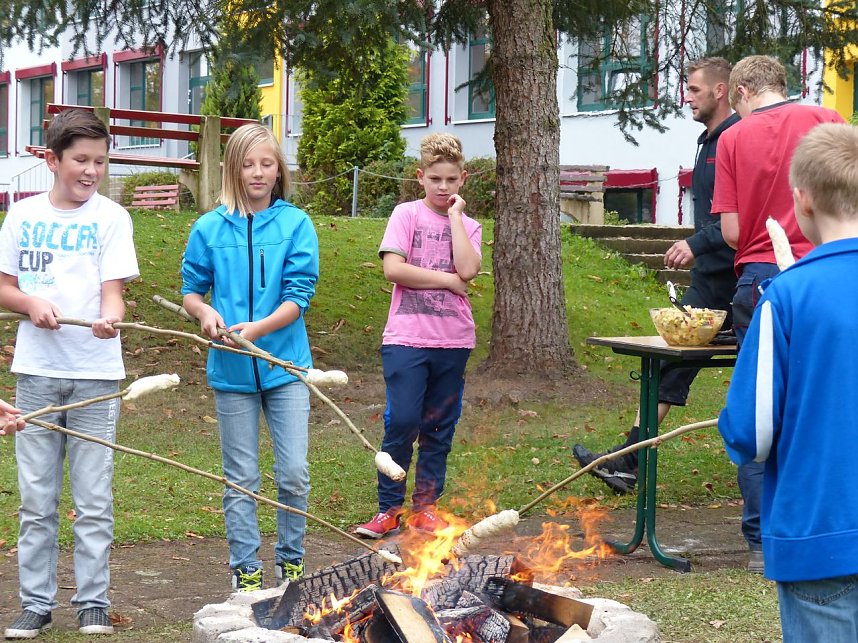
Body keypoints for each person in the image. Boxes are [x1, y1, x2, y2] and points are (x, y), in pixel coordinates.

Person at [0, 108, 140, 638]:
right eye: (81, 160)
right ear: (52, 159)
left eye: (100, 161)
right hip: (36, 373)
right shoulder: (22, 215)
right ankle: (35, 603)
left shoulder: (112, 218)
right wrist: (30, 303)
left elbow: (113, 293)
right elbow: (5, 287)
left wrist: (110, 321)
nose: (91, 171)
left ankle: (92, 602)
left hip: (96, 376)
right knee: (36, 500)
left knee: (93, 499)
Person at [572, 58, 739, 495]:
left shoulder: (736, 138)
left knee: (738, 375)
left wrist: (696, 243)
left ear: (720, 90)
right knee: (668, 368)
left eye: (695, 89)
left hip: (735, 282)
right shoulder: (708, 140)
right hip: (709, 277)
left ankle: (629, 461)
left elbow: (738, 220)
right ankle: (628, 461)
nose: (687, 97)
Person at [719, 122, 858, 642]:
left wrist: (731, 426)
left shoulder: (786, 296)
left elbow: (751, 432)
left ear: (801, 200)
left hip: (820, 536)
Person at [710, 54, 844, 574]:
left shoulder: (732, 137)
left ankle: (762, 537)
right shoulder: (826, 118)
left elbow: (729, 231)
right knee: (831, 400)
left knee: (764, 403)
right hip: (834, 269)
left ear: (741, 91)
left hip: (763, 277)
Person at [181, 123, 318, 592]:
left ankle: (292, 563)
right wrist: (204, 312)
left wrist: (258, 329)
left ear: (279, 170)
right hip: (232, 372)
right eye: (247, 164)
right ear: (231, 171)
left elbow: (298, 297)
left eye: (266, 163)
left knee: (294, 473)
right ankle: (246, 571)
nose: (257, 173)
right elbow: (191, 292)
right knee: (241, 478)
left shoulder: (296, 224)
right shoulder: (208, 227)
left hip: (285, 368)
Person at [354, 133, 481, 539]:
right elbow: (394, 269)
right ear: (420, 177)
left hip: (453, 341)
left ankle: (426, 509)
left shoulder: (469, 225)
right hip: (406, 339)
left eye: (451, 180)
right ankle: (388, 509)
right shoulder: (405, 214)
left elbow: (468, 270)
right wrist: (447, 281)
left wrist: (456, 218)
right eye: (435, 179)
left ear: (462, 179)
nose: (443, 187)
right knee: (403, 421)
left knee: (439, 427)